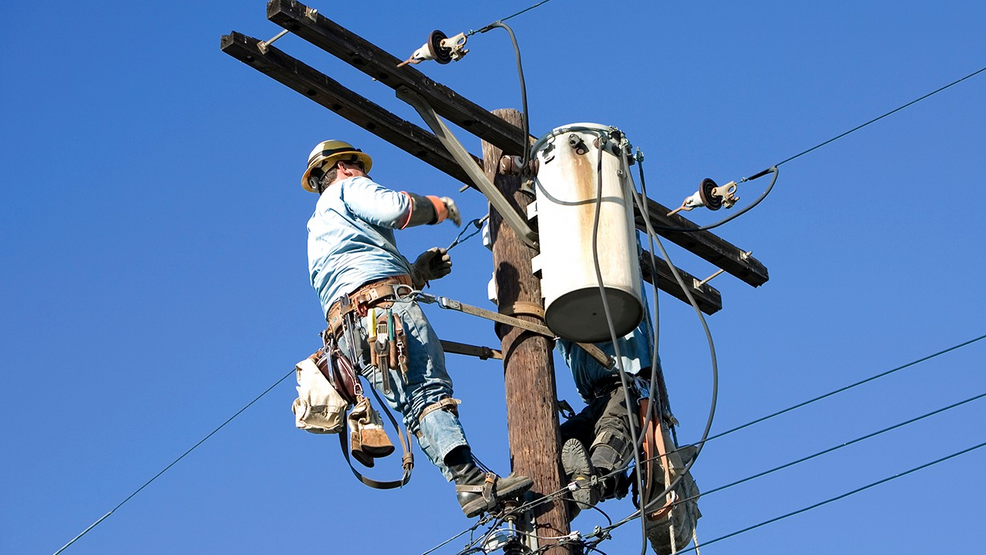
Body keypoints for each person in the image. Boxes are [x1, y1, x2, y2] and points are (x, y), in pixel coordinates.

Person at [302, 140, 531, 517]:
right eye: (361, 169)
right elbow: (396, 209)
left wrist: (418, 273)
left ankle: (468, 479)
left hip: (352, 332)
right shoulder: (348, 188)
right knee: (427, 391)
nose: (366, 175)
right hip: (384, 314)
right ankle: (470, 479)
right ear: (343, 168)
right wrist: (442, 208)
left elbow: (358, 273)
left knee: (414, 404)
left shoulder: (317, 227)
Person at [556, 299, 701, 554]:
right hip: (596, 398)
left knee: (613, 429)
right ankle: (567, 500)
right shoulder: (563, 303)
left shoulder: (619, 296)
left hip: (628, 385)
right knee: (559, 440)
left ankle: (596, 481)